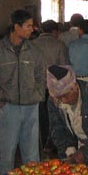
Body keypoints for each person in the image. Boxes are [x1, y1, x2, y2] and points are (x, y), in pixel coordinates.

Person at [0, 9, 46, 175]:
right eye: (28, 26)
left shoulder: (34, 51)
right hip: (9, 109)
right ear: (16, 27)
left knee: (32, 156)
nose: (32, 29)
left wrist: (37, 95)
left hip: (31, 108)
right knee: (7, 154)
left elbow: (41, 76)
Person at [31, 19, 69, 152]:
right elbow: (64, 66)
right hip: (54, 87)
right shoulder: (59, 45)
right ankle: (53, 143)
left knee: (40, 116)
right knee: (55, 116)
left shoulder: (32, 44)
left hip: (37, 86)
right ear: (55, 31)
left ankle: (41, 144)